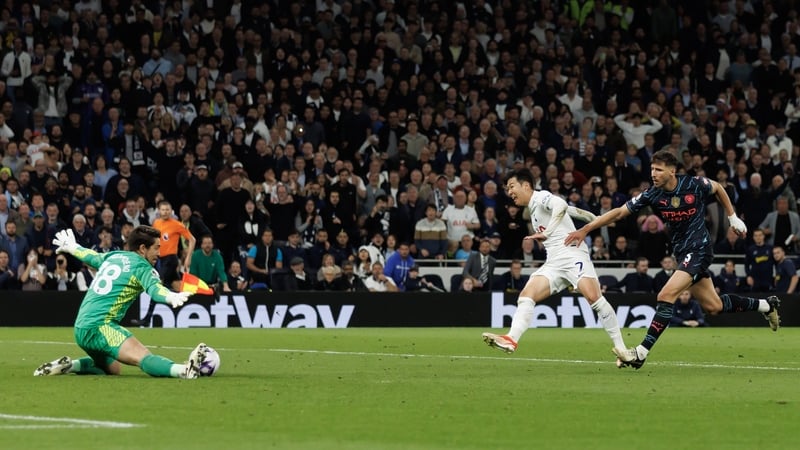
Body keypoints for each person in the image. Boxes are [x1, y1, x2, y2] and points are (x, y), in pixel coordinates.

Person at [565, 150, 781, 369]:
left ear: (672, 170)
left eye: (658, 169)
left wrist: (732, 217)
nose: (654, 173)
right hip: (682, 253)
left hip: (699, 249)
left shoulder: (694, 184)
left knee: (666, 294)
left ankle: (640, 352)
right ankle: (766, 305)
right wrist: (586, 229)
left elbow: (718, 187)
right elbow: (620, 212)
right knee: (713, 306)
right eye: (652, 169)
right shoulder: (652, 194)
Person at [482, 169, 627, 356]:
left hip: (572, 254)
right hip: (554, 261)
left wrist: (548, 232)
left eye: (511, 186)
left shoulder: (541, 196)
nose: (509, 192)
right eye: (507, 189)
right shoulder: (533, 208)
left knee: (594, 298)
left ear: (526, 185)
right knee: (527, 295)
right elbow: (570, 210)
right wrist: (594, 219)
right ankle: (511, 339)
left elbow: (560, 203)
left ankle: (622, 348)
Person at [32, 226, 206, 379]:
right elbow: (155, 290)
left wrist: (72, 247)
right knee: (144, 357)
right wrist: (170, 296)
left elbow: (91, 257)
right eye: (156, 248)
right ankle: (184, 370)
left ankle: (71, 365)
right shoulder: (143, 268)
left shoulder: (115, 256)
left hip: (80, 328)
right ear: (143, 248)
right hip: (101, 326)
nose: (159, 253)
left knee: (113, 369)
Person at [134, 200, 196, 326]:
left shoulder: (176, 224)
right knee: (179, 287)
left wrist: (188, 256)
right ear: (159, 211)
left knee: (157, 284)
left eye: (167, 210)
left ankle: (147, 319)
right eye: (163, 210)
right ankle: (211, 289)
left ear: (171, 211)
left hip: (170, 260)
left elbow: (192, 239)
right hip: (160, 260)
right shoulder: (156, 223)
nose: (165, 212)